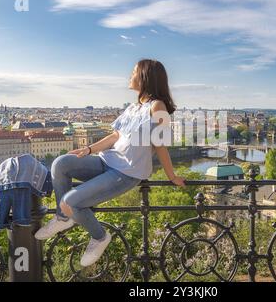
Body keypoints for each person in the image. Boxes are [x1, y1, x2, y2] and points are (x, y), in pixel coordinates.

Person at [35, 59, 186, 267]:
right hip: (107, 162)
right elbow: (115, 136)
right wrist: (88, 150)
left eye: (134, 72)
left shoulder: (157, 106)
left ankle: (99, 237)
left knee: (71, 201)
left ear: (145, 77)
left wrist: (172, 176)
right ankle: (63, 218)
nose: (130, 75)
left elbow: (161, 146)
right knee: (60, 164)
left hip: (125, 173)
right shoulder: (134, 108)